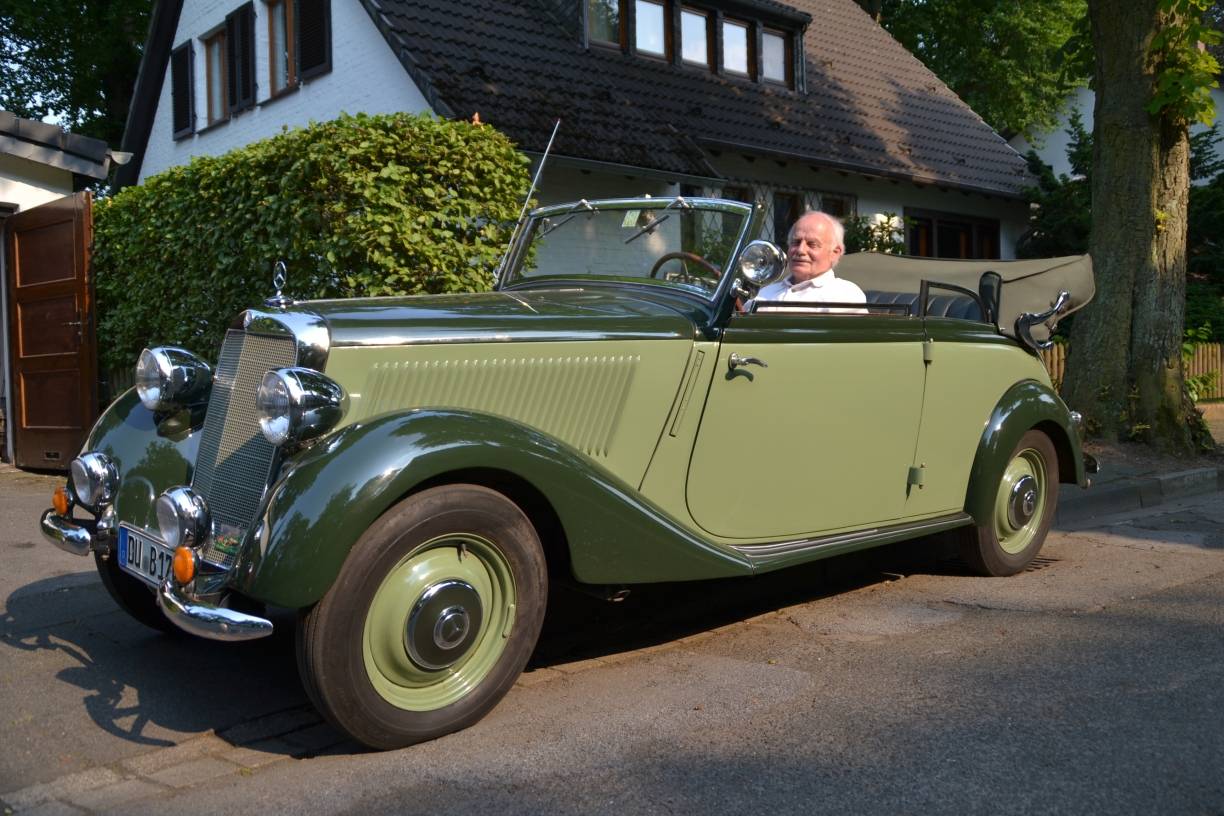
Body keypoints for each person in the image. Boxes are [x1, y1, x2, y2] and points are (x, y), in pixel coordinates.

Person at [748, 211, 866, 312]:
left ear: (835, 253)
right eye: (796, 242)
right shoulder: (765, 293)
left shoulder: (844, 294)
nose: (800, 250)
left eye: (812, 244)